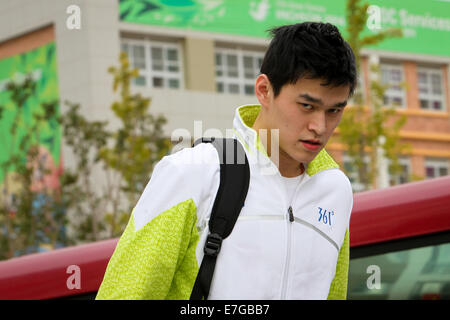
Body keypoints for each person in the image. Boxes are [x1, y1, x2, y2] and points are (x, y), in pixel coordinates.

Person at [96, 21, 357, 300]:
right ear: (264, 91)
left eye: (334, 111)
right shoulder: (194, 172)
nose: (320, 125)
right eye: (307, 106)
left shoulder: (335, 190)